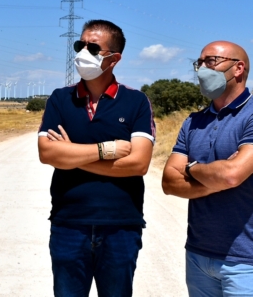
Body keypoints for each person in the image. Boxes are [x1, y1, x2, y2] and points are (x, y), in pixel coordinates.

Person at [38, 19, 155, 297]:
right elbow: (48, 153)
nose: (82, 52)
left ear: (113, 58)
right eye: (80, 45)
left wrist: (71, 155)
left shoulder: (136, 101)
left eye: (92, 47)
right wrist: (107, 150)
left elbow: (138, 164)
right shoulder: (59, 99)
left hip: (121, 226)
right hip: (68, 223)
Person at [162, 41, 253, 296]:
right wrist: (216, 177)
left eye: (210, 61)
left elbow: (232, 175)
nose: (201, 68)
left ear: (238, 68)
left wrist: (189, 169)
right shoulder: (194, 121)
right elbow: (169, 183)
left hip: (246, 262)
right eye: (199, 63)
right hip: (198, 255)